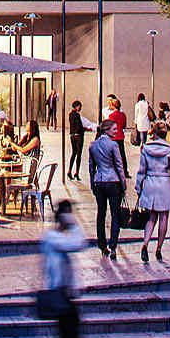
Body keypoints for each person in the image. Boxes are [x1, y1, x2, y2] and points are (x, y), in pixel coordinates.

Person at [36, 198, 88, 338]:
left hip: (64, 294)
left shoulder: (55, 237)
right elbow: (79, 242)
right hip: (59, 295)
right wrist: (73, 223)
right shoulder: (53, 238)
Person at [136, 121, 170, 263]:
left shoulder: (146, 148)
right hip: (165, 184)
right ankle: (159, 249)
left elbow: (141, 170)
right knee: (164, 218)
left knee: (151, 217)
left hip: (150, 182)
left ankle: (145, 243)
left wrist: (138, 187)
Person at [87, 120, 126, 259]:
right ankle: (113, 246)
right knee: (115, 214)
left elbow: (91, 167)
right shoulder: (113, 145)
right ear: (107, 130)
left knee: (101, 214)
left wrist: (92, 183)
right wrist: (124, 183)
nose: (116, 132)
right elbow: (119, 166)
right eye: (114, 129)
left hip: (99, 181)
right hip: (113, 181)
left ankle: (102, 245)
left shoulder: (93, 145)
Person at [66, 99, 94, 180]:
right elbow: (79, 127)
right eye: (80, 106)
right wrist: (86, 129)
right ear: (77, 106)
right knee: (79, 155)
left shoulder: (70, 114)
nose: (80, 108)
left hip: (72, 135)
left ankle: (69, 170)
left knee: (73, 153)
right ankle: (76, 173)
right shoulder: (77, 115)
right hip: (78, 136)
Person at [105, 95, 129, 178]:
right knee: (122, 155)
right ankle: (125, 171)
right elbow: (124, 126)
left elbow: (109, 127)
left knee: (112, 156)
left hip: (113, 137)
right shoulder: (123, 115)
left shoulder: (111, 116)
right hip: (121, 137)